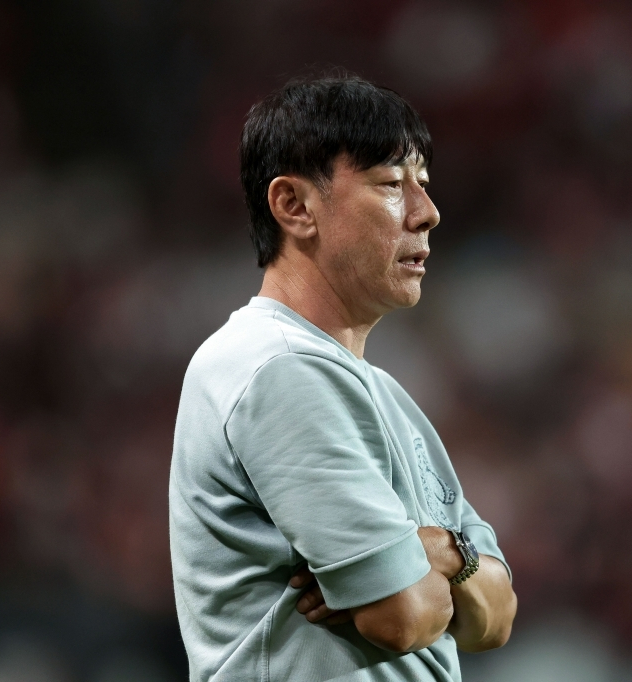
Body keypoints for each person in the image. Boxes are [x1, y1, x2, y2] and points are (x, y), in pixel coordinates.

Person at [169, 75, 517, 682]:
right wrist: (432, 568)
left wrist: (440, 551)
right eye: (391, 184)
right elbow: (401, 616)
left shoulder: (382, 392)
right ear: (294, 206)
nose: (427, 213)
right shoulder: (276, 368)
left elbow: (498, 619)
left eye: (423, 184)